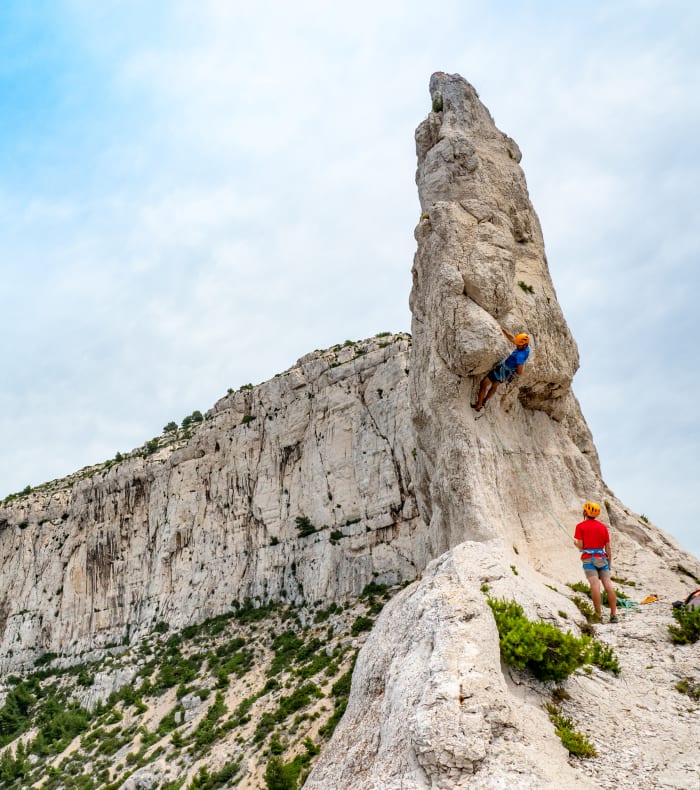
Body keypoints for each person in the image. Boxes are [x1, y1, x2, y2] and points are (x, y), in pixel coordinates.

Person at [573, 501, 618, 623]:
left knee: (595, 585)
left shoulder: (580, 526)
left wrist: (576, 544)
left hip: (589, 559)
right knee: (608, 586)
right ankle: (613, 615)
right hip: (602, 558)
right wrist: (609, 563)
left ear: (585, 512)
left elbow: (581, 546)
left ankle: (598, 615)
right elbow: (608, 548)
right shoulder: (603, 527)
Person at [472, 329, 530, 412]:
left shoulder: (520, 356)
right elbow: (512, 338)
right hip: (507, 373)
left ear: (524, 345)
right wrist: (503, 330)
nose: (517, 345)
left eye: (519, 345)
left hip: (502, 370)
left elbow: (520, 371)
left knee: (484, 383)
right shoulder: (526, 348)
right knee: (495, 385)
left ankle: (478, 405)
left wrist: (515, 369)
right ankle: (484, 401)